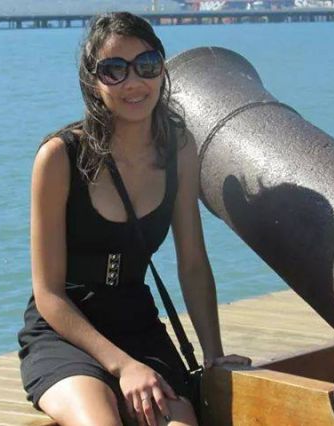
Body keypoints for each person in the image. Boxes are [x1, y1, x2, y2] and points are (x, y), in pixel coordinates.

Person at [18, 11, 249, 426]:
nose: (133, 82)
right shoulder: (60, 157)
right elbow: (49, 294)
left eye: (146, 65)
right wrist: (124, 367)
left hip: (137, 324)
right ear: (93, 81)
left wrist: (213, 355)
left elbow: (193, 263)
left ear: (161, 68)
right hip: (65, 331)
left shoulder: (179, 149)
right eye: (114, 70)